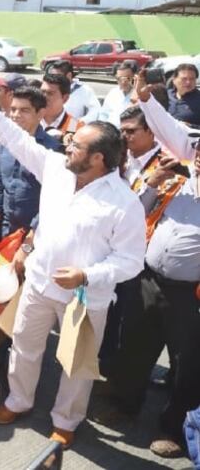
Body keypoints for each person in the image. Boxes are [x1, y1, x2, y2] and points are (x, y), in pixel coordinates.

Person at [0, 77, 146, 450]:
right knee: (24, 345)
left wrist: (88, 274)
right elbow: (17, 140)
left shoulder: (123, 202)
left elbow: (132, 261)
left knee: (75, 364)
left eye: (76, 145)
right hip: (38, 283)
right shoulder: (56, 168)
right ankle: (17, 402)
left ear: (98, 159)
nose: (67, 146)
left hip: (85, 299)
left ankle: (66, 421)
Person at [103, 77, 200, 458]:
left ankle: (174, 428)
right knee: (136, 348)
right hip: (149, 280)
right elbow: (175, 135)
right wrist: (145, 101)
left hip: (188, 296)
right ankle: (126, 404)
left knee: (186, 364)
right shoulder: (182, 181)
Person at [0, 87, 61, 246]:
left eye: (24, 110)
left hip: (36, 235)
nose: (16, 115)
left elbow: (54, 200)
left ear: (40, 114)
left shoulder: (53, 150)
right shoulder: (6, 143)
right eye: (13, 109)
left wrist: (30, 240)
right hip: (4, 229)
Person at [41, 73, 81, 145]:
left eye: (50, 93)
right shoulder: (29, 120)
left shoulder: (75, 127)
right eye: (42, 92)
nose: (44, 97)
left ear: (65, 98)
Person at [99, 61, 136, 126]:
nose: (123, 82)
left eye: (127, 78)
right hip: (110, 132)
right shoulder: (113, 93)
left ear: (134, 77)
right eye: (119, 78)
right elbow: (103, 115)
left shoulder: (139, 95)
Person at [166, 63, 200, 128]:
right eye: (184, 79)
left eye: (192, 79)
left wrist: (190, 126)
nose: (188, 82)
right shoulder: (166, 95)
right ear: (174, 80)